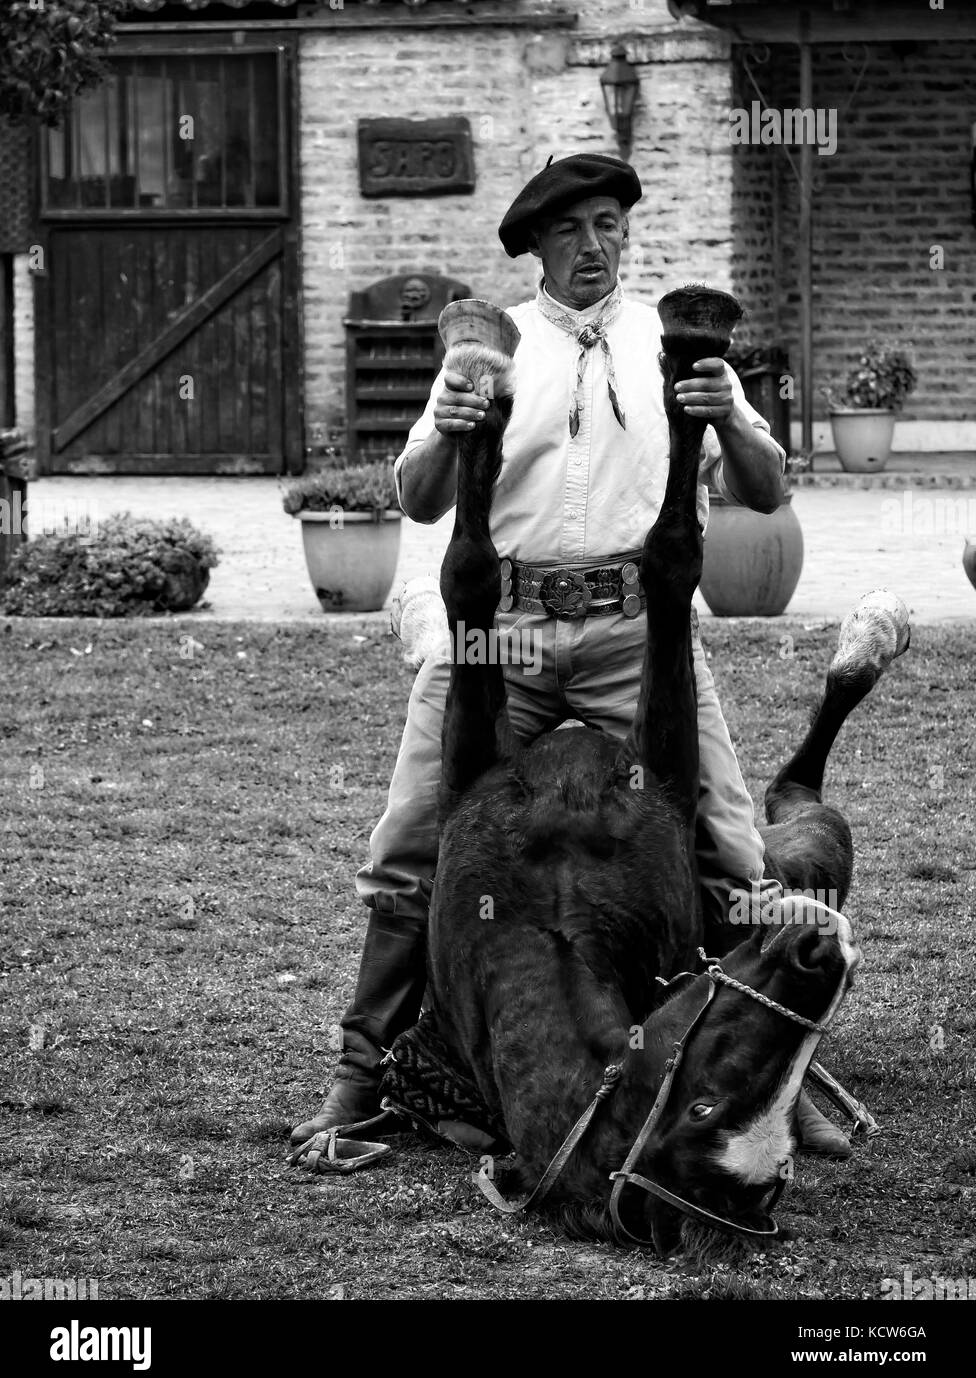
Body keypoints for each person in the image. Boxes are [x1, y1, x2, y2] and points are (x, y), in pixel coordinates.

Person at [291, 153, 850, 1157]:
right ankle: (362, 1075)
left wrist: (728, 415)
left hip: (636, 627)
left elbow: (766, 488)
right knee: (412, 836)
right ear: (537, 247)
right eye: (570, 232)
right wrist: (440, 433)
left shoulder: (670, 345)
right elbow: (417, 496)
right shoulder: (490, 346)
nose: (593, 248)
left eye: (607, 227)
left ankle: (772, 1072)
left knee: (730, 842)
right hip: (498, 628)